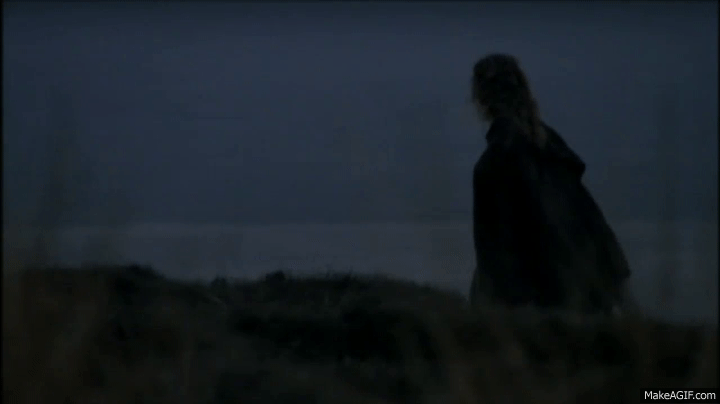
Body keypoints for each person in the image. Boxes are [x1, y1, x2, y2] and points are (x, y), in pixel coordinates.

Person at [468, 53, 636, 316]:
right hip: (582, 300)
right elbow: (592, 223)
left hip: (539, 313)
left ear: (480, 100)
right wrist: (621, 291)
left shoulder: (495, 163)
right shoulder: (550, 149)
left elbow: (494, 257)